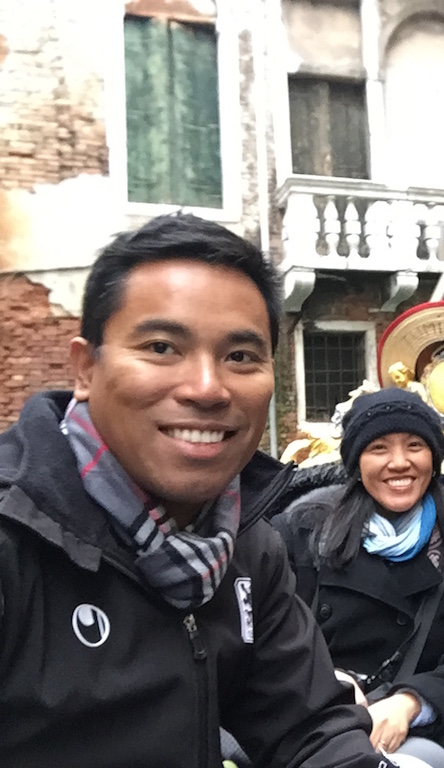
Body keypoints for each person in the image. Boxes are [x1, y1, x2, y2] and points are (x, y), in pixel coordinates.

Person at [0, 213, 398, 767]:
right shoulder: (14, 535)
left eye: (240, 357)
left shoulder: (243, 543)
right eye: (162, 347)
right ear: (85, 369)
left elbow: (309, 728)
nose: (208, 389)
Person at [272, 388, 444, 768]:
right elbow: (273, 638)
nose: (399, 462)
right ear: (356, 462)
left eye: (415, 445)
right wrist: (328, 682)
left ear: (434, 456)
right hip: (313, 718)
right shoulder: (303, 531)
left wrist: (410, 701)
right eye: (379, 448)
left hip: (415, 727)